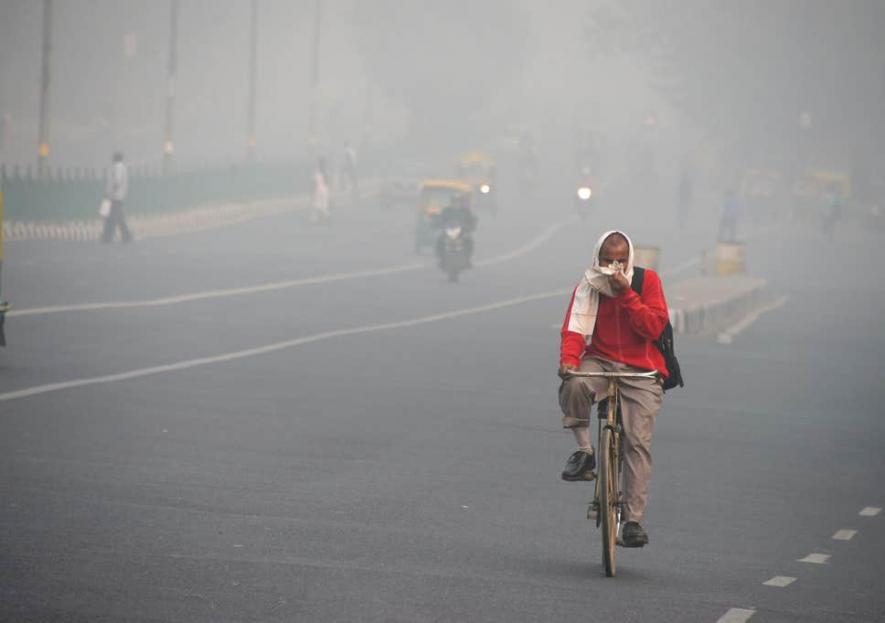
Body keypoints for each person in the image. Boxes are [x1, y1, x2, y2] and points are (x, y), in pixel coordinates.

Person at [557, 230, 670, 548]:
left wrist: (626, 295)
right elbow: (575, 328)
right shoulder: (589, 284)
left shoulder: (646, 283)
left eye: (621, 261)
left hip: (642, 369)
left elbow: (652, 326)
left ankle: (632, 521)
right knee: (574, 383)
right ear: (598, 259)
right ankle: (585, 452)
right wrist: (568, 360)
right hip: (601, 363)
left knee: (637, 441)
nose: (614, 268)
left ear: (629, 259)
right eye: (608, 261)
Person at [434, 194, 477, 266]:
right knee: (440, 240)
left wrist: (471, 226)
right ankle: (441, 258)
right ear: (451, 202)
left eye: (457, 202)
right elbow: (440, 219)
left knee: (469, 241)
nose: (455, 204)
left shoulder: (465, 211)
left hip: (461, 233)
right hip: (448, 232)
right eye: (454, 202)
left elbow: (471, 220)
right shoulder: (446, 211)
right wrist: (437, 224)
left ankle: (468, 259)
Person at [101, 152, 132, 243]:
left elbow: (116, 181)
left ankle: (108, 237)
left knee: (112, 218)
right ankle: (125, 236)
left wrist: (110, 193)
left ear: (115, 158)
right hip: (118, 196)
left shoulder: (117, 167)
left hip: (115, 196)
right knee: (118, 218)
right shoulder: (122, 167)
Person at [311, 156, 331, 223]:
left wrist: (312, 190)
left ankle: (320, 218)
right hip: (324, 188)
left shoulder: (317, 171)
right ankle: (323, 217)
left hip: (318, 187)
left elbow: (314, 181)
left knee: (318, 203)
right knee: (324, 203)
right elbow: (328, 181)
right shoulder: (326, 171)